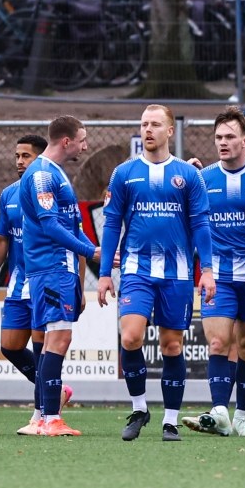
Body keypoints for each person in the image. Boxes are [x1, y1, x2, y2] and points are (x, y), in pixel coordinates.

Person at [97, 104, 216, 442]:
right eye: (143, 124)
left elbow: (200, 224)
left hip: (177, 273)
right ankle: (139, 407)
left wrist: (206, 270)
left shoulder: (188, 175)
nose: (148, 130)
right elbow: (111, 225)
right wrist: (105, 273)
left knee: (172, 345)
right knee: (131, 336)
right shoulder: (124, 173)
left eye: (155, 124)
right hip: (136, 269)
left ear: (170, 131)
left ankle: (171, 420)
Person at [179, 106, 245, 437]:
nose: (223, 142)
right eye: (218, 137)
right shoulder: (202, 180)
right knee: (218, 342)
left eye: (230, 136)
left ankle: (242, 416)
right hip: (217, 275)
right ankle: (219, 411)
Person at [0, 134, 73, 435]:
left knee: (41, 344)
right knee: (10, 346)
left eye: (26, 156)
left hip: (44, 279)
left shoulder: (52, 190)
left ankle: (41, 413)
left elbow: (73, 237)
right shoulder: (9, 194)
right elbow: (0, 238)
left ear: (40, 159)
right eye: (17, 156)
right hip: (17, 283)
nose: (20, 162)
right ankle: (54, 393)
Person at [19, 116, 101, 437]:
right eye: (82, 139)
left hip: (56, 269)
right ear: (66, 141)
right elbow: (52, 226)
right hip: (53, 267)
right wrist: (91, 251)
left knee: (51, 340)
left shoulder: (53, 173)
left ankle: (41, 417)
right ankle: (51, 418)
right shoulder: (42, 175)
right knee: (58, 340)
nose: (86, 145)